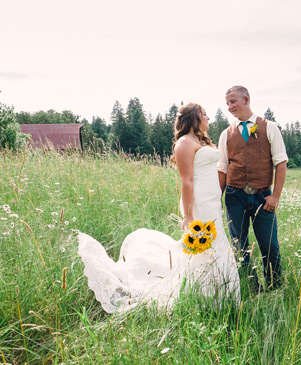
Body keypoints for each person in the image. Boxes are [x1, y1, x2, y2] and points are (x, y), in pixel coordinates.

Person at [78, 103, 241, 313]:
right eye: (204, 114)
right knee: (207, 247)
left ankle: (221, 295)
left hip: (212, 201)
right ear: (193, 118)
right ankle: (207, 298)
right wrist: (189, 216)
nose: (208, 117)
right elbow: (187, 181)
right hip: (199, 203)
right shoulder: (183, 143)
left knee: (216, 245)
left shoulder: (199, 140)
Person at [217, 85, 288, 291]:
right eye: (227, 103)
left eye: (233, 101)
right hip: (234, 196)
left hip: (262, 196)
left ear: (246, 100)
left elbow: (281, 163)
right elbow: (222, 169)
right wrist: (218, 200)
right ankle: (252, 288)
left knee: (270, 246)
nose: (230, 107)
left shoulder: (269, 127)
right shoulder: (226, 134)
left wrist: (275, 196)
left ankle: (275, 288)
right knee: (240, 246)